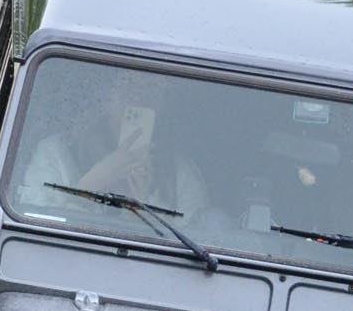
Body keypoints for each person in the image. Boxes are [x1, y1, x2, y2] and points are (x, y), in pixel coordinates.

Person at [13, 67, 211, 213]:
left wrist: (141, 207)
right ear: (106, 99)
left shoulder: (179, 174)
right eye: (128, 90)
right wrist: (87, 189)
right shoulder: (57, 153)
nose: (137, 102)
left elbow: (193, 242)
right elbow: (31, 222)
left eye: (151, 93)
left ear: (161, 107)